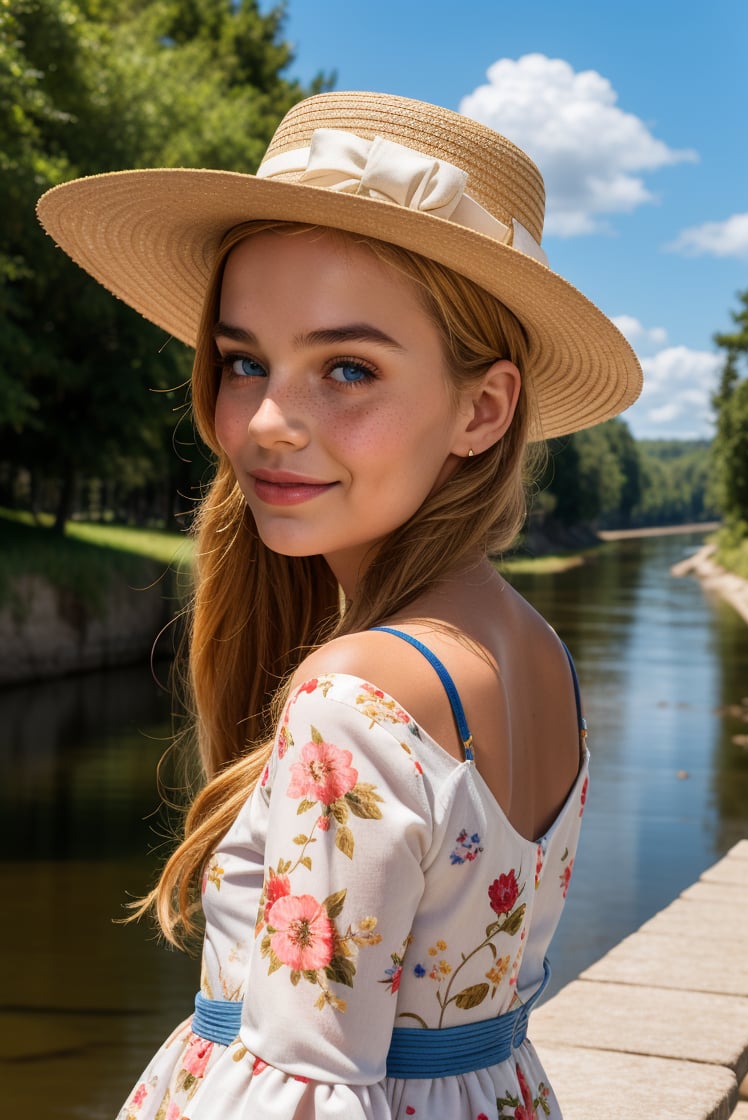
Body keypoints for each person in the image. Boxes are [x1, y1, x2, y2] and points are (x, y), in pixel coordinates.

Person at [38, 90, 641, 1120]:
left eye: (347, 368)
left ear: (482, 409)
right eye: (243, 362)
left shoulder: (351, 695)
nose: (268, 421)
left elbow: (303, 1091)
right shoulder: (534, 649)